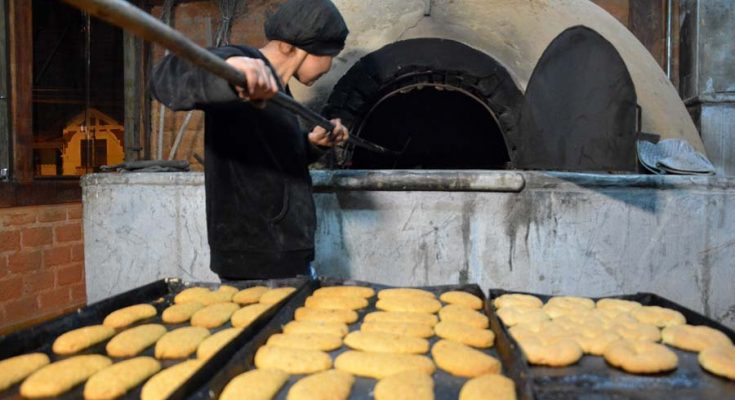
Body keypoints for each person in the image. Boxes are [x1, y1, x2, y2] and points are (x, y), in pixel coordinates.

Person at [150, 0, 349, 280]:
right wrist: (229, 72)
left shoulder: (279, 92)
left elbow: (274, 163)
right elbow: (165, 78)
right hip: (253, 258)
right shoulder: (244, 62)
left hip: (285, 252)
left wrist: (314, 143)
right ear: (309, 47)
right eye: (333, 55)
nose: (330, 66)